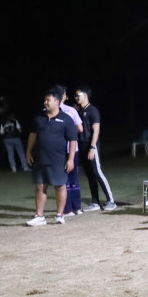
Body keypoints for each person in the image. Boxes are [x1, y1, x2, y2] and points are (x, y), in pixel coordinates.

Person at [25, 87, 79, 226]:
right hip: (40, 159)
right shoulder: (39, 118)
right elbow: (32, 136)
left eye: (48, 100)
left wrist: (71, 159)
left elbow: (73, 140)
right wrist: (28, 152)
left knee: (60, 186)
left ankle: (60, 215)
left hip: (58, 160)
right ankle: (39, 216)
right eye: (45, 100)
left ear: (57, 102)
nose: (45, 102)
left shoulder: (66, 119)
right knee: (40, 187)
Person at [73, 86, 117, 211]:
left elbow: (96, 131)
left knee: (97, 172)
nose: (76, 97)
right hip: (82, 145)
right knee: (89, 175)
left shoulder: (93, 110)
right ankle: (95, 202)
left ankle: (111, 201)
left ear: (85, 95)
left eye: (78, 95)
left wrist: (92, 147)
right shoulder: (80, 111)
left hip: (91, 145)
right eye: (75, 95)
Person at [56, 87, 85, 215]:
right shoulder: (71, 110)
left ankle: (67, 209)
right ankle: (76, 207)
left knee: (64, 180)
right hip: (73, 148)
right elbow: (80, 129)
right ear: (63, 96)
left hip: (58, 149)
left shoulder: (48, 112)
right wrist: (70, 131)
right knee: (74, 178)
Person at [0, 104, 30, 173]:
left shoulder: (3, 123)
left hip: (7, 139)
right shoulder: (15, 121)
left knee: (10, 153)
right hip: (16, 138)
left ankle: (13, 167)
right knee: (21, 152)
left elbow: (1, 133)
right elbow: (20, 130)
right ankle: (25, 166)